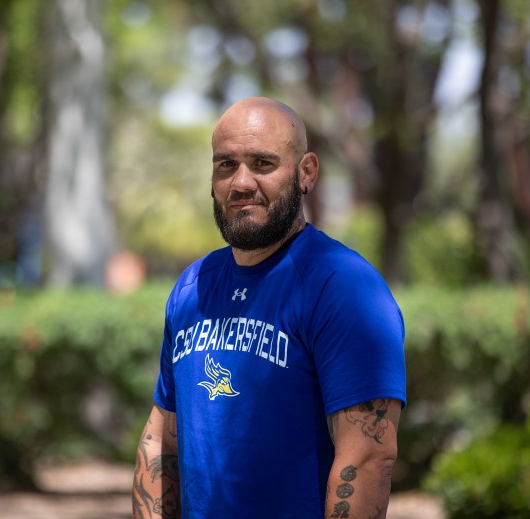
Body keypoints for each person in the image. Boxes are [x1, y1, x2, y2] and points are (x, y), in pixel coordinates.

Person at [132, 97, 406, 519]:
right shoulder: (192, 287)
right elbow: (160, 444)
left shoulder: (342, 286)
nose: (241, 182)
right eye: (226, 165)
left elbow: (368, 461)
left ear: (306, 173)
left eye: (262, 164)